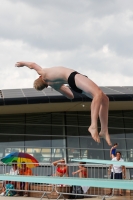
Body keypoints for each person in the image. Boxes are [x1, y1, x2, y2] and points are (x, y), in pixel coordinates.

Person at [15, 61, 112, 146]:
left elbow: (70, 96)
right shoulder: (43, 73)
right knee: (97, 94)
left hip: (74, 84)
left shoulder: (55, 85)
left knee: (104, 100)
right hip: (73, 77)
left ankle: (104, 130)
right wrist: (22, 63)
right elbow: (32, 65)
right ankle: (93, 126)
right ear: (40, 78)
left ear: (45, 86)